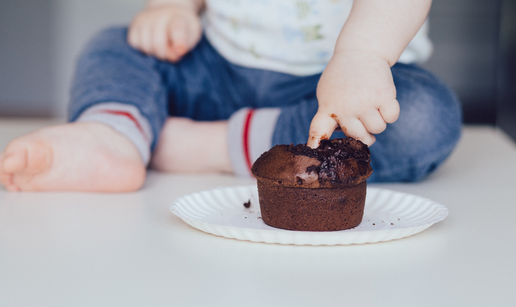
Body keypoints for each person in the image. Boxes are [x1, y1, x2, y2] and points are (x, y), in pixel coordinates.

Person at [0, 0, 461, 192]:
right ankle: (111, 133)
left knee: (423, 116)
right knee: (117, 45)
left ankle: (197, 145)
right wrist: (174, 8)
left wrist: (363, 54)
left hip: (333, 95)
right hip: (216, 70)